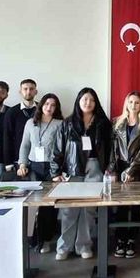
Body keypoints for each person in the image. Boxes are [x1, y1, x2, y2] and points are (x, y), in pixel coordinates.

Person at [52, 88, 111, 260]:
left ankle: (84, 245)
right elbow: (57, 149)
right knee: (69, 209)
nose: (88, 103)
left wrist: (111, 168)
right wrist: (55, 172)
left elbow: (110, 149)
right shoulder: (67, 123)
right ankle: (64, 247)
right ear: (78, 101)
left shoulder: (103, 123)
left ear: (96, 103)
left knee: (88, 210)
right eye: (85, 99)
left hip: (95, 168)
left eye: (91, 100)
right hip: (73, 169)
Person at [108, 91, 140, 259]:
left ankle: (132, 239)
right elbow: (112, 150)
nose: (134, 105)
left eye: (137, 102)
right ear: (126, 104)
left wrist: (132, 171)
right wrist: (112, 170)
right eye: (131, 102)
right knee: (120, 206)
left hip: (139, 171)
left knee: (136, 207)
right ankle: (120, 239)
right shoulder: (116, 123)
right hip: (120, 169)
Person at [18, 93, 63, 254]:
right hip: (34, 167)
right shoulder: (31, 123)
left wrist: (59, 170)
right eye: (46, 104)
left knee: (48, 206)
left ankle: (45, 239)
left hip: (51, 168)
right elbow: (25, 145)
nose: (49, 107)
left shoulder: (60, 124)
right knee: (32, 204)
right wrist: (22, 163)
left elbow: (61, 149)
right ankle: (31, 239)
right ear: (41, 105)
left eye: (53, 105)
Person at [3, 79, 38, 175]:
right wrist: (8, 163)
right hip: (17, 160)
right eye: (25, 89)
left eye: (31, 89)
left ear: (36, 92)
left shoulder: (43, 110)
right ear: (20, 91)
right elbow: (7, 137)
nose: (28, 92)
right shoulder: (11, 112)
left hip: (39, 161)